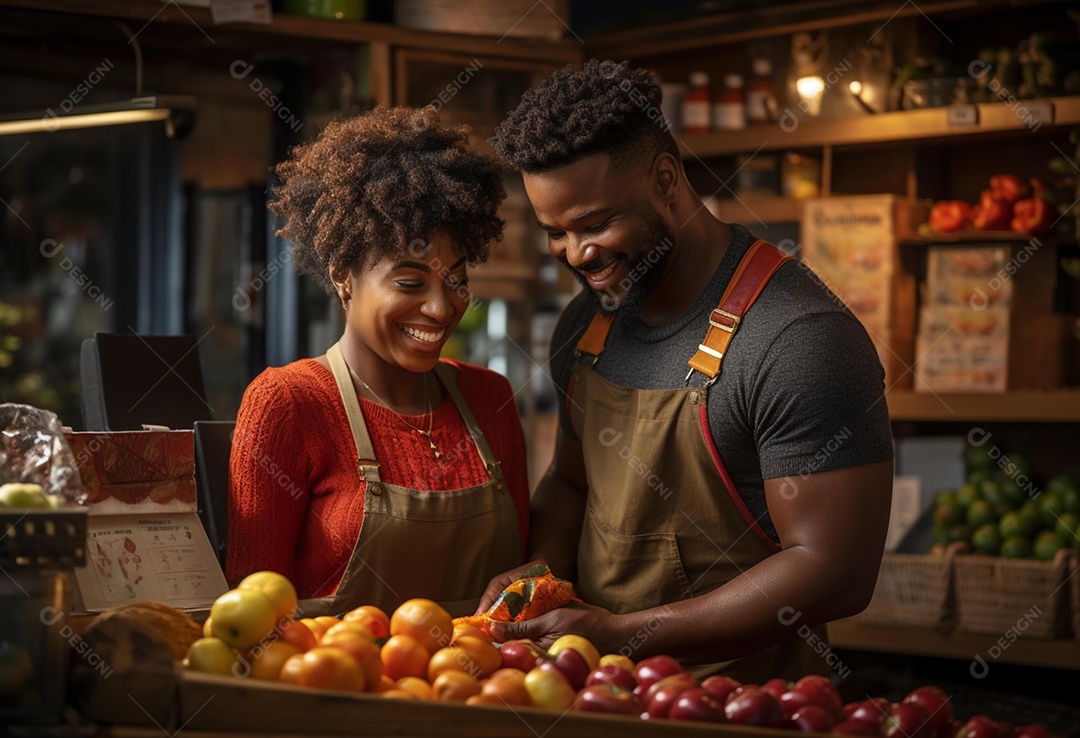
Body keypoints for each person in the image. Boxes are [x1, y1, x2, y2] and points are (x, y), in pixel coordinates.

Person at [479, 60, 894, 682]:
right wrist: (542, 569)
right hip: (598, 696)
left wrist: (625, 635)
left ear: (666, 178)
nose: (577, 254)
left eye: (594, 224)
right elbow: (570, 486)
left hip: (742, 707)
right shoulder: (586, 325)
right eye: (554, 232)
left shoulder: (798, 338)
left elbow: (835, 573)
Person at [226, 107, 529, 618]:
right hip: (340, 687)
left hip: (486, 689)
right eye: (410, 283)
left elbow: (519, 575)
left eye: (456, 281)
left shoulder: (489, 398)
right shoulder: (287, 403)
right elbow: (253, 617)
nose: (441, 307)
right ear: (343, 274)